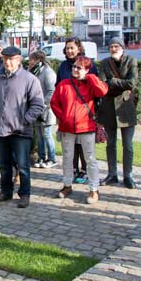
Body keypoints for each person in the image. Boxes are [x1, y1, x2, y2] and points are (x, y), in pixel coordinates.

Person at [0, 46, 44, 209]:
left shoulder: (29, 79)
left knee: (23, 165)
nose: (7, 62)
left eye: (10, 59)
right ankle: (6, 191)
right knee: (4, 165)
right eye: (4, 59)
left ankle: (25, 194)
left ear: (19, 60)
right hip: (0, 130)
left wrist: (25, 120)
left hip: (21, 132)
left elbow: (38, 104)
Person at [51, 56, 109, 203]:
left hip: (86, 127)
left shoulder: (91, 84)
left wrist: (90, 77)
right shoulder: (64, 84)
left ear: (87, 70)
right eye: (74, 67)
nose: (75, 70)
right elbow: (54, 102)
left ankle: (94, 189)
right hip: (67, 127)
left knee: (90, 159)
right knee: (67, 158)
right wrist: (63, 117)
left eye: (79, 67)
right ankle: (67, 185)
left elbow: (102, 91)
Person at [97, 37, 139, 189]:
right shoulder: (104, 63)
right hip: (108, 107)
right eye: (111, 46)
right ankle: (112, 174)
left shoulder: (131, 61)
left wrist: (113, 81)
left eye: (116, 46)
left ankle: (128, 175)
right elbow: (102, 84)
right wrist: (119, 84)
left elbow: (132, 83)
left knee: (128, 145)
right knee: (111, 144)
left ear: (122, 47)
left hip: (125, 107)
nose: (113, 49)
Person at [56, 37, 98, 184]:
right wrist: (62, 115)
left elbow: (97, 89)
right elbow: (58, 89)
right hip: (67, 114)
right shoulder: (62, 66)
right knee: (69, 147)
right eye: (67, 48)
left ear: (79, 49)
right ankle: (73, 170)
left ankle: (84, 171)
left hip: (83, 116)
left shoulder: (89, 65)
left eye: (72, 48)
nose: (69, 50)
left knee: (84, 146)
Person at [28, 50, 57, 168]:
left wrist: (41, 104)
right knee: (39, 135)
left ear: (38, 60)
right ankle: (41, 157)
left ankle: (52, 158)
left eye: (31, 60)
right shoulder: (33, 72)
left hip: (46, 110)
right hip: (36, 109)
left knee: (47, 134)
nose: (29, 62)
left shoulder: (48, 72)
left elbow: (51, 91)